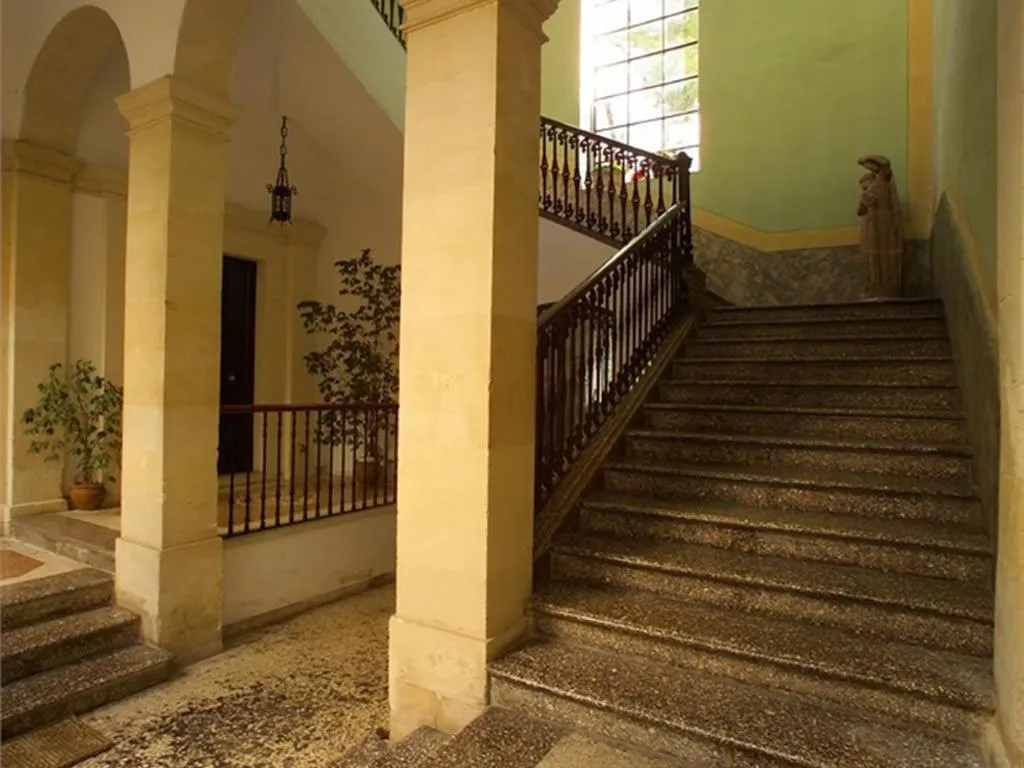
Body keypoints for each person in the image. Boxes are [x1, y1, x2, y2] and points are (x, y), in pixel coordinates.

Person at [857, 155, 903, 299]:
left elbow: (885, 164)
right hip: (871, 225)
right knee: (872, 256)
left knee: (885, 255)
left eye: (865, 184)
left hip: (884, 224)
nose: (864, 188)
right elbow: (860, 211)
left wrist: (867, 160)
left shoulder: (881, 183)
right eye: (863, 186)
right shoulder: (870, 192)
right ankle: (875, 286)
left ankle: (886, 287)